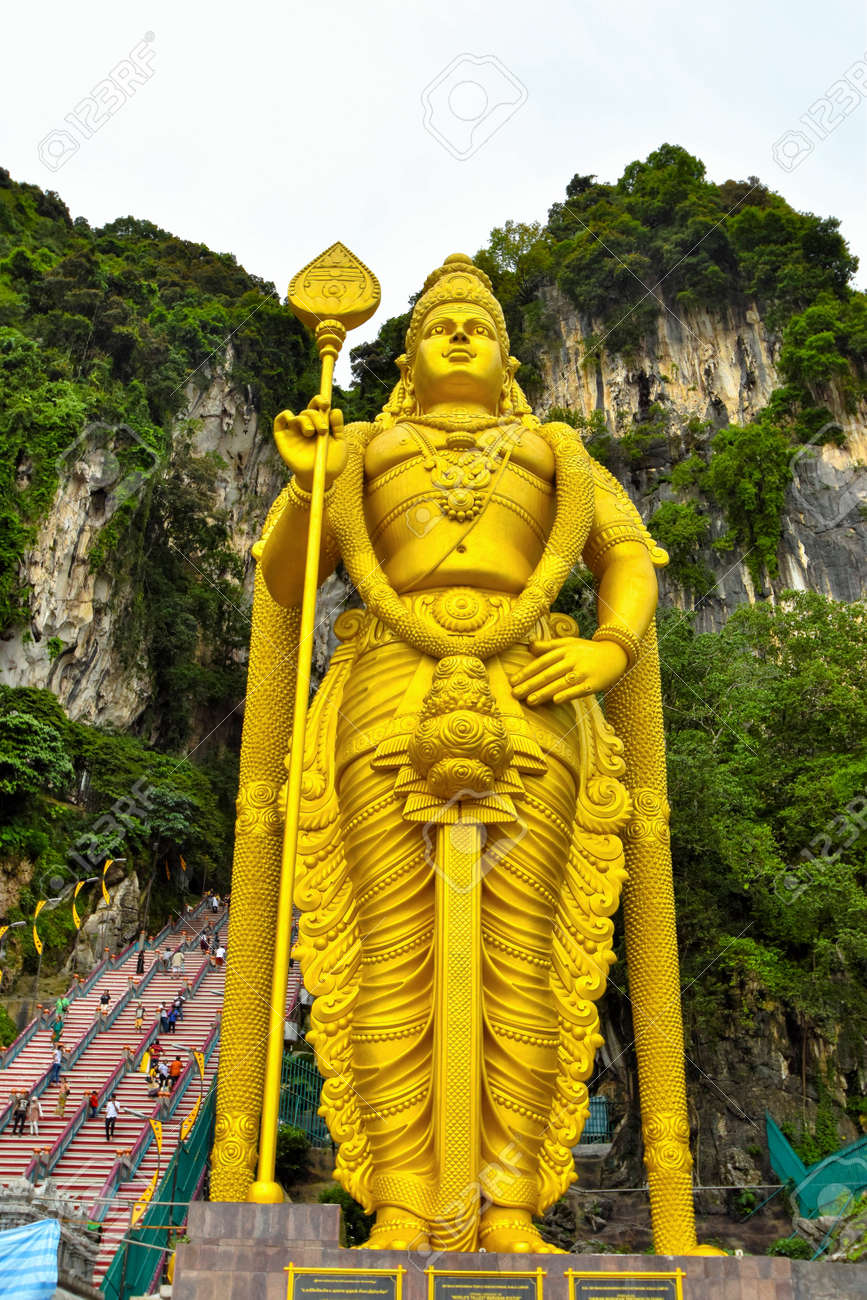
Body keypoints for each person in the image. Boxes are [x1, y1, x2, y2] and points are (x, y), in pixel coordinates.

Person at [213, 253, 707, 1256]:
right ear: (404, 361)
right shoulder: (360, 446)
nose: (458, 332)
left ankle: (510, 1205)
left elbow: (626, 558)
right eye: (438, 323)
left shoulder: (557, 453)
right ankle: (402, 1201)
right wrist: (309, 487)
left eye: (477, 324)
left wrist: (609, 645)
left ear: (508, 361)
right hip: (386, 696)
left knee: (526, 958)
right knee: (388, 953)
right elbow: (288, 581)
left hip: (534, 694)